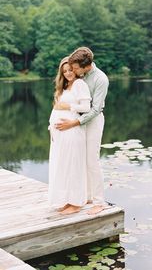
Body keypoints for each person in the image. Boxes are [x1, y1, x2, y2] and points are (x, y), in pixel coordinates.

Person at [55, 47, 109, 215]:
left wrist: (74, 123)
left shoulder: (101, 79)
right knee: (79, 159)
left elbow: (95, 109)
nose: (74, 71)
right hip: (77, 121)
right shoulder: (80, 75)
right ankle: (84, 197)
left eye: (76, 68)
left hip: (92, 121)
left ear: (87, 65)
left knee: (92, 161)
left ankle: (99, 202)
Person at [48, 56, 91, 215]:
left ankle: (76, 203)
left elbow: (87, 107)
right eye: (64, 71)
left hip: (72, 131)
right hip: (60, 135)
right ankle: (65, 200)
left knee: (73, 165)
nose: (68, 73)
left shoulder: (80, 84)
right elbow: (57, 109)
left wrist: (69, 106)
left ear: (76, 69)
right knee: (63, 166)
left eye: (70, 70)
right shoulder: (65, 86)